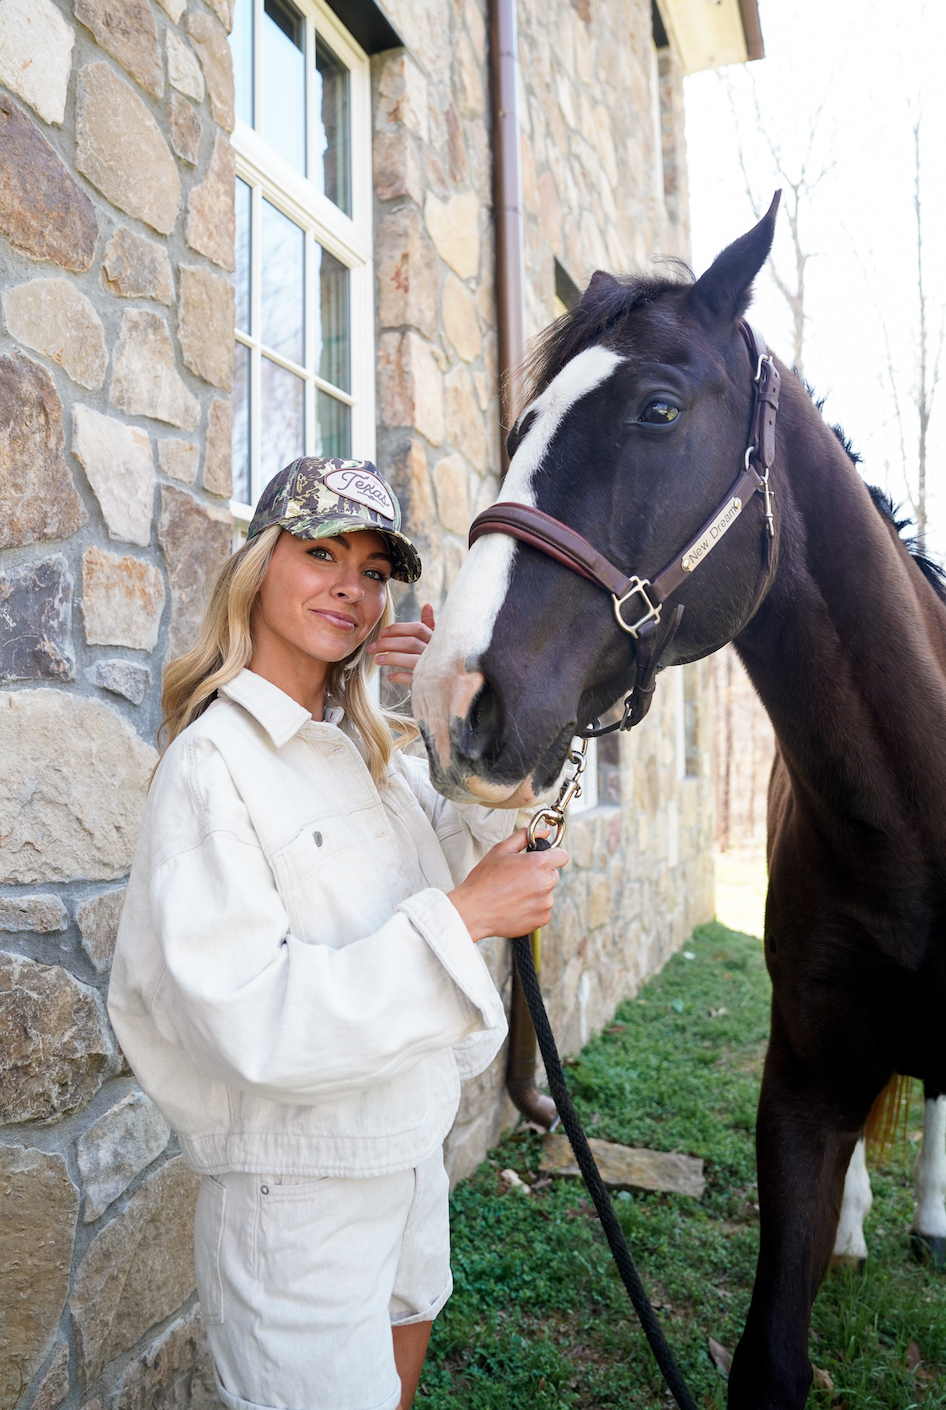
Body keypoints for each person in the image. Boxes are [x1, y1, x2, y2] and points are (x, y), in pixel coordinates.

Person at [107, 456, 568, 1410]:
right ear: (259, 567)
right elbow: (246, 1019)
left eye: (371, 570)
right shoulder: (213, 766)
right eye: (320, 552)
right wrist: (467, 913)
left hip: (406, 1163)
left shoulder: (371, 755)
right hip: (297, 1210)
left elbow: (483, 845)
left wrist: (456, 717)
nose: (349, 589)